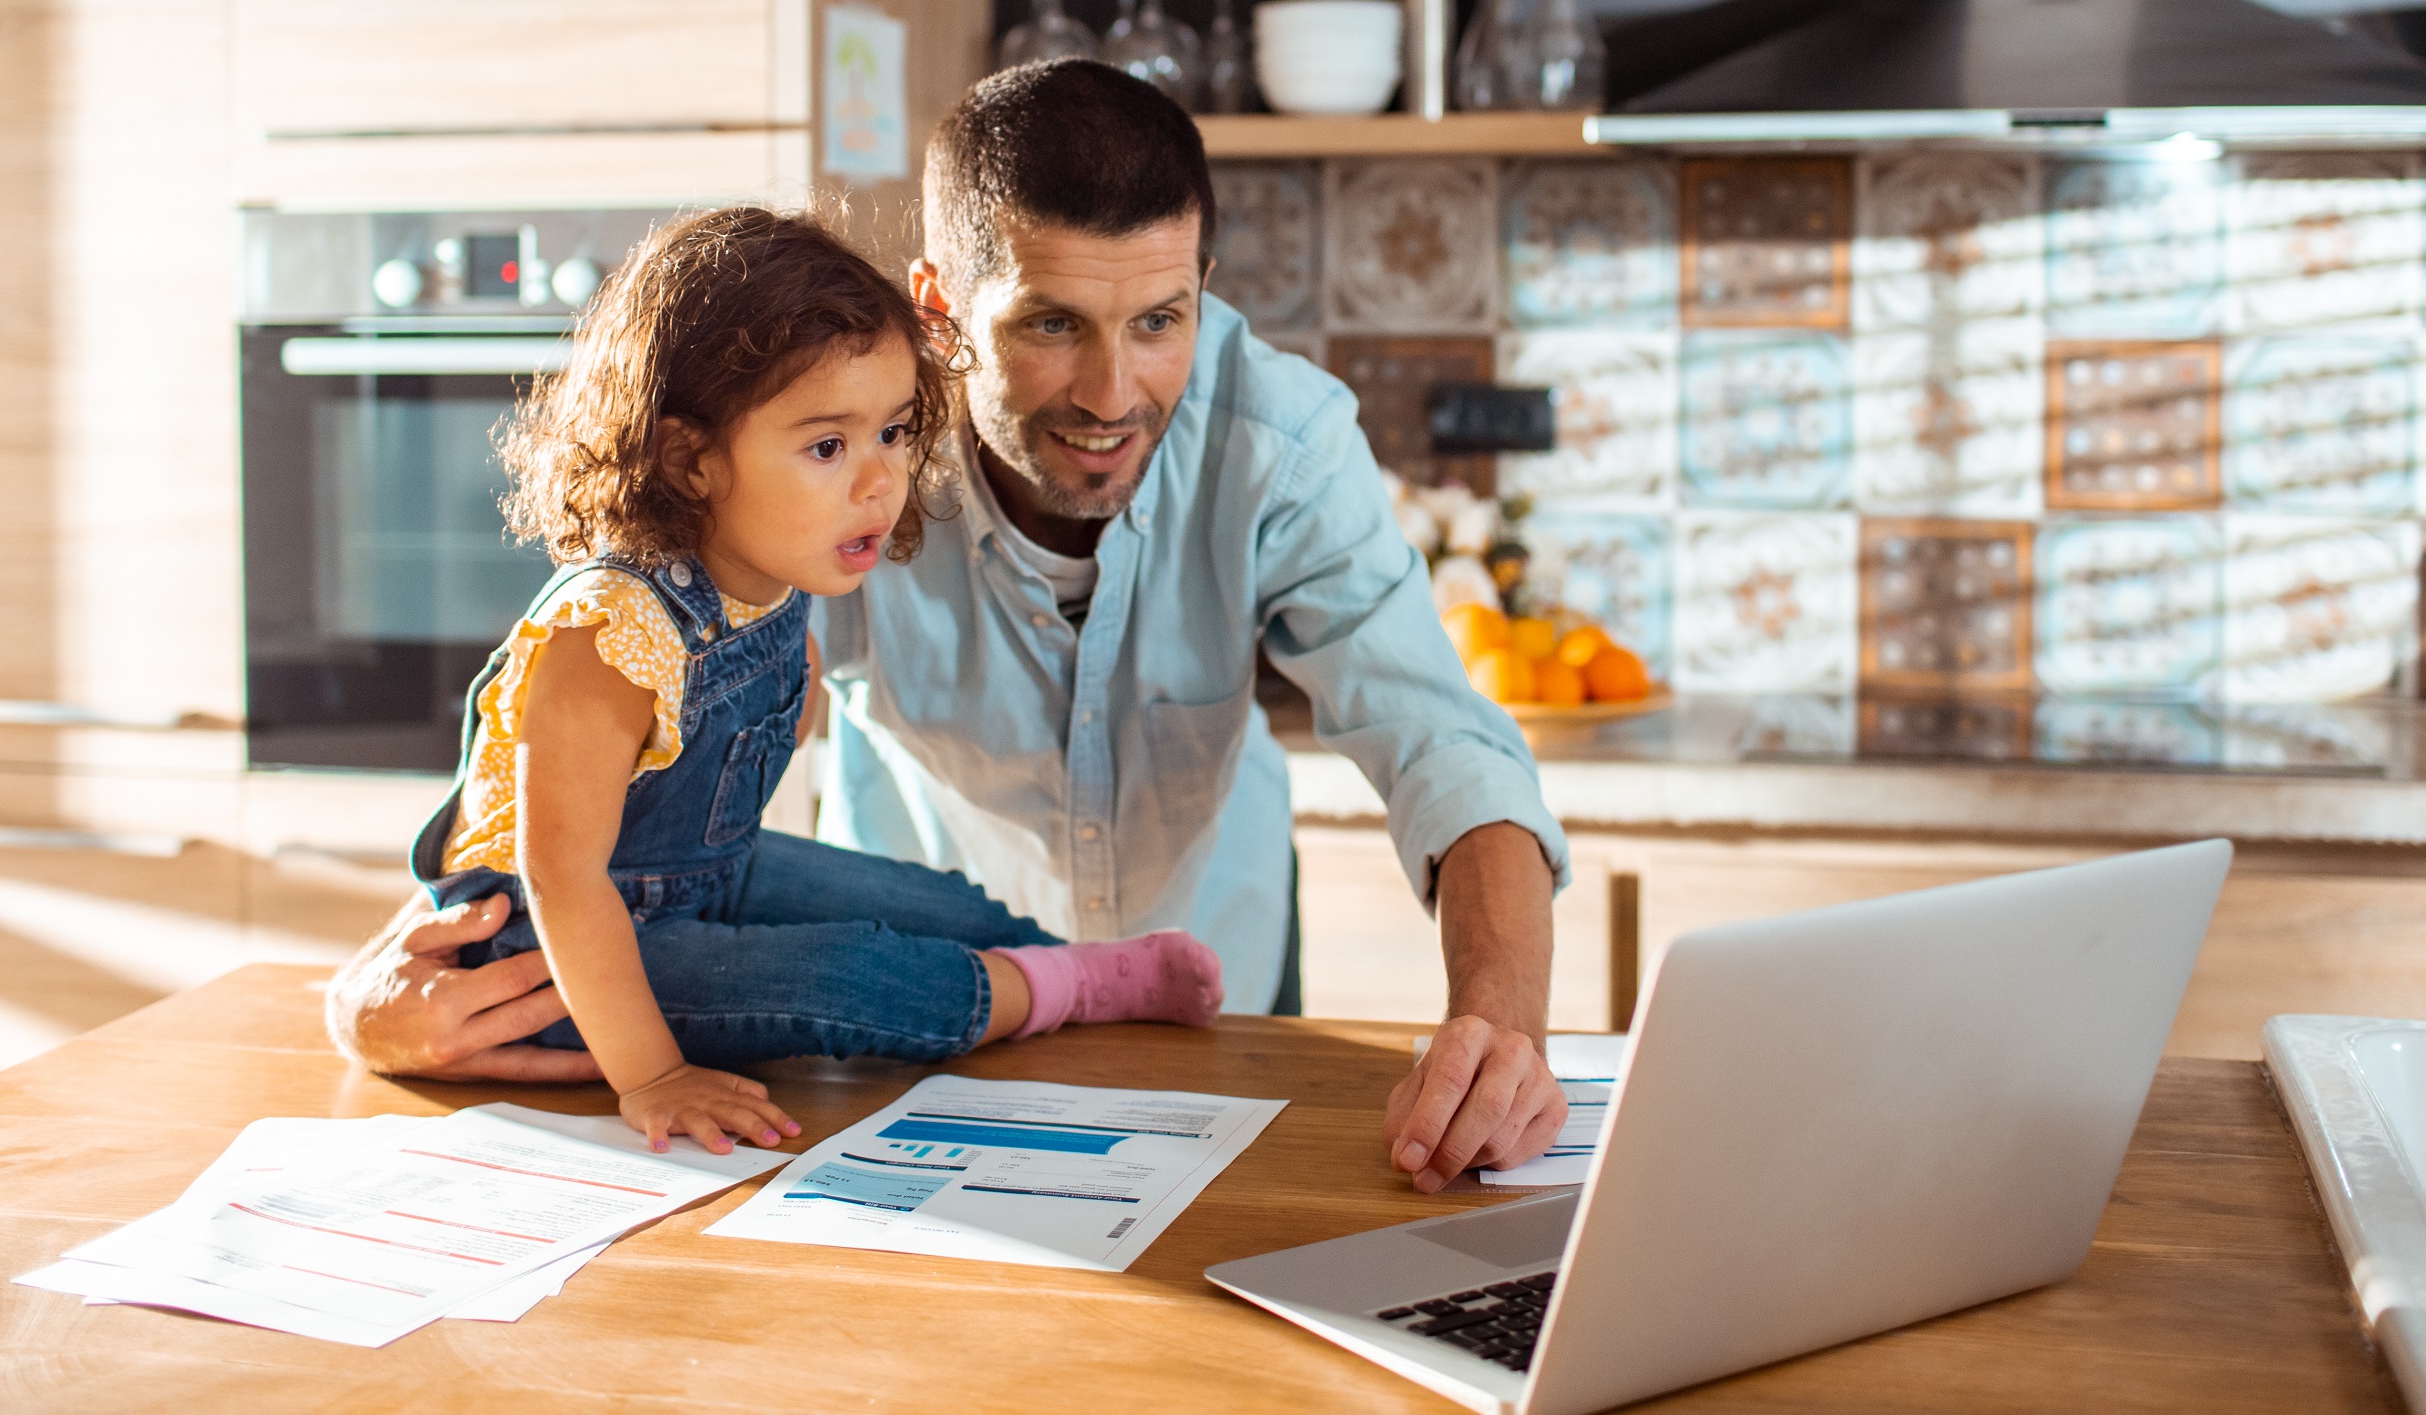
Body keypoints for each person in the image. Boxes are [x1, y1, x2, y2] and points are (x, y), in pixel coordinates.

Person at [332, 62, 1573, 1192]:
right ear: (938, 306)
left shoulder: (1282, 442)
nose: (1111, 393)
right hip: (893, 1060)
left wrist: (1503, 1027)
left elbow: (1440, 745)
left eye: (1159, 321)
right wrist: (369, 992)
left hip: (1212, 987)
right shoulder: (841, 450)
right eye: (1048, 325)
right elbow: (556, 804)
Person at [407, 205, 1223, 1155]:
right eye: (828, 446)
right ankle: (1072, 991)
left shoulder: (778, 569)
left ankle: (1069, 989)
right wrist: (656, 1075)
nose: (880, 481)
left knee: (946, 910)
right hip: (549, 945)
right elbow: (562, 877)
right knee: (844, 976)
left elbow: (751, 758)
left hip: (705, 881)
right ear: (691, 459)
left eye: (894, 431)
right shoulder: (611, 632)